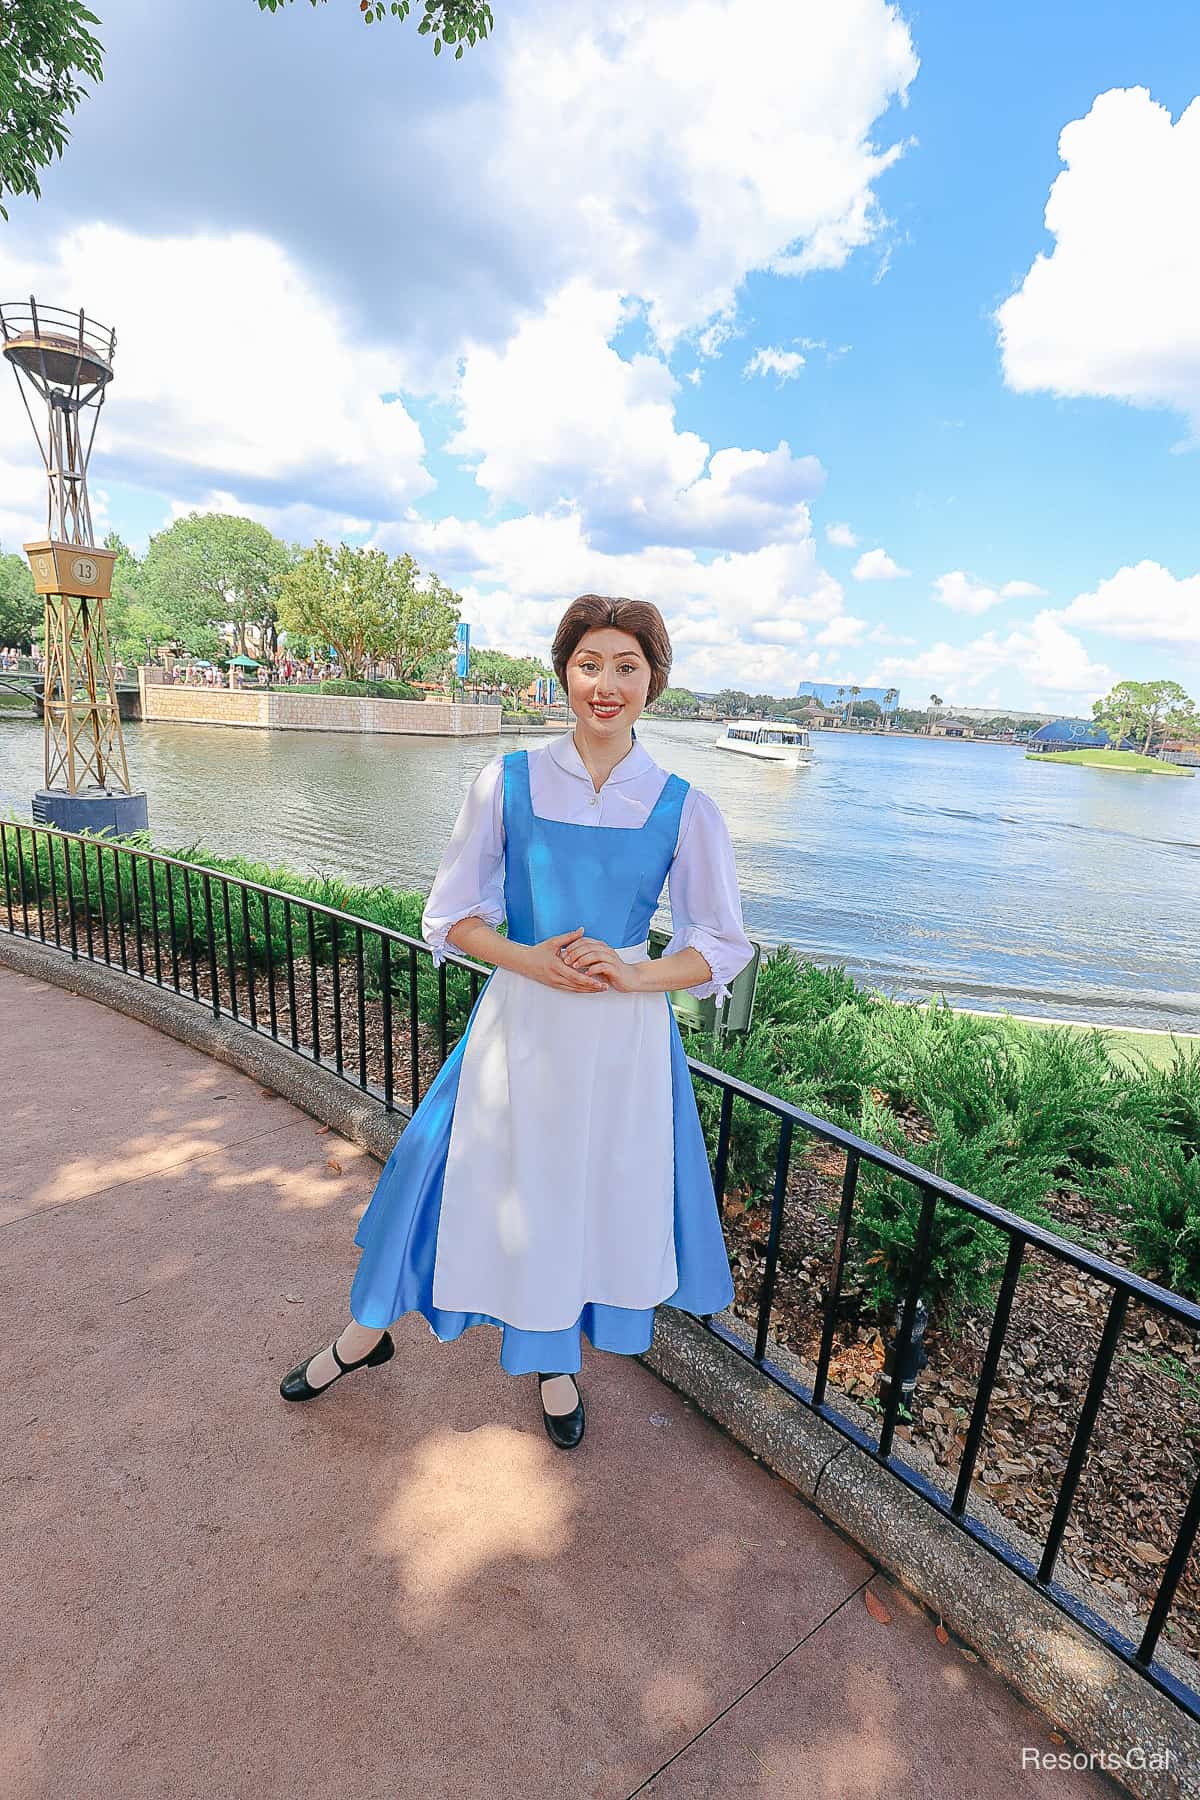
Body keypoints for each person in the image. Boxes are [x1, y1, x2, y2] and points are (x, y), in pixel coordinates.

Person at [278, 594, 754, 1449]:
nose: (605, 684)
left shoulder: (687, 806)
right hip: (518, 1032)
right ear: (563, 672)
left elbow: (720, 944)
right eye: (588, 664)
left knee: (578, 1200)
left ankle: (556, 1364)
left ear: (655, 680)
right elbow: (449, 916)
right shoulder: (507, 781)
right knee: (437, 1183)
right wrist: (529, 958)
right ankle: (365, 1334)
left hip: (623, 1048)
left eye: (626, 666)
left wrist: (637, 971)